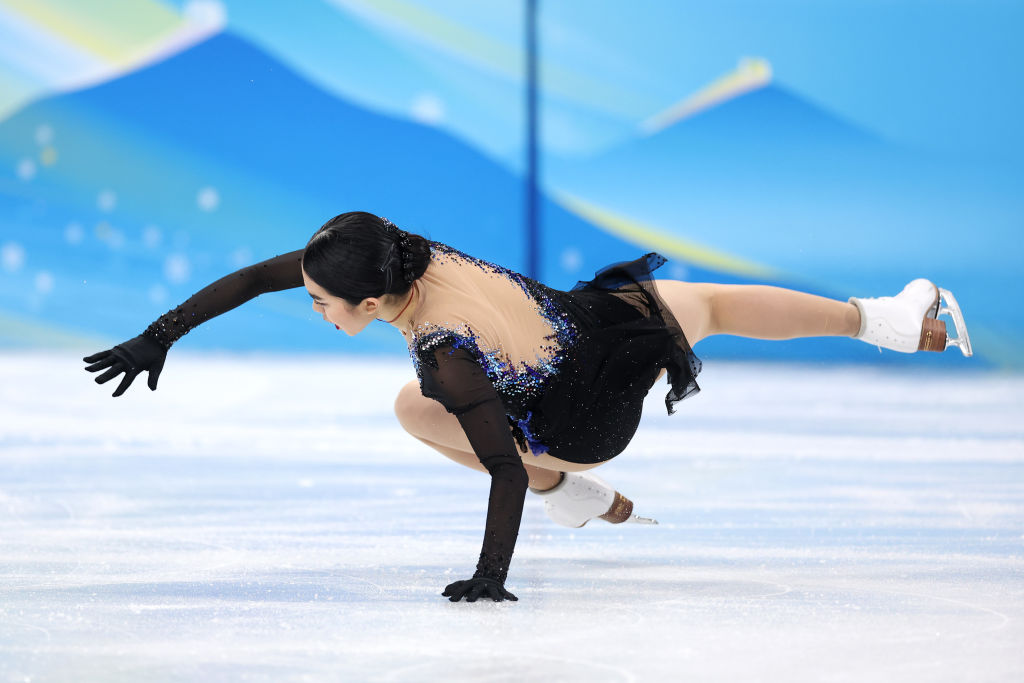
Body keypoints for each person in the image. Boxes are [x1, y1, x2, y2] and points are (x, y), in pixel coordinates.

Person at [81, 211, 973, 603]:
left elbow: (499, 462)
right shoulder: (388, 251)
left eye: (319, 302)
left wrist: (494, 570)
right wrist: (161, 334)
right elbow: (251, 277)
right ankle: (886, 322)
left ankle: (572, 488)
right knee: (704, 304)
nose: (310, 305)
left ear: (365, 302)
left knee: (419, 408)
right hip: (578, 332)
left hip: (583, 417)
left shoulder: (442, 350)